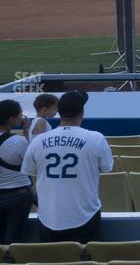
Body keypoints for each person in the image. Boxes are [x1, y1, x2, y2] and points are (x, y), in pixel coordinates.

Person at [21, 91, 112, 243]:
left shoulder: (38, 141)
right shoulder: (96, 138)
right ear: (82, 113)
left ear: (59, 112)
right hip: (86, 215)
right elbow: (107, 167)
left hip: (48, 216)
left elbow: (29, 171)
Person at [0, 99, 33, 244]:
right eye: (20, 114)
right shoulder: (19, 141)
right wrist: (27, 133)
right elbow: (31, 164)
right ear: (12, 119)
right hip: (18, 194)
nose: (22, 116)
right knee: (13, 240)